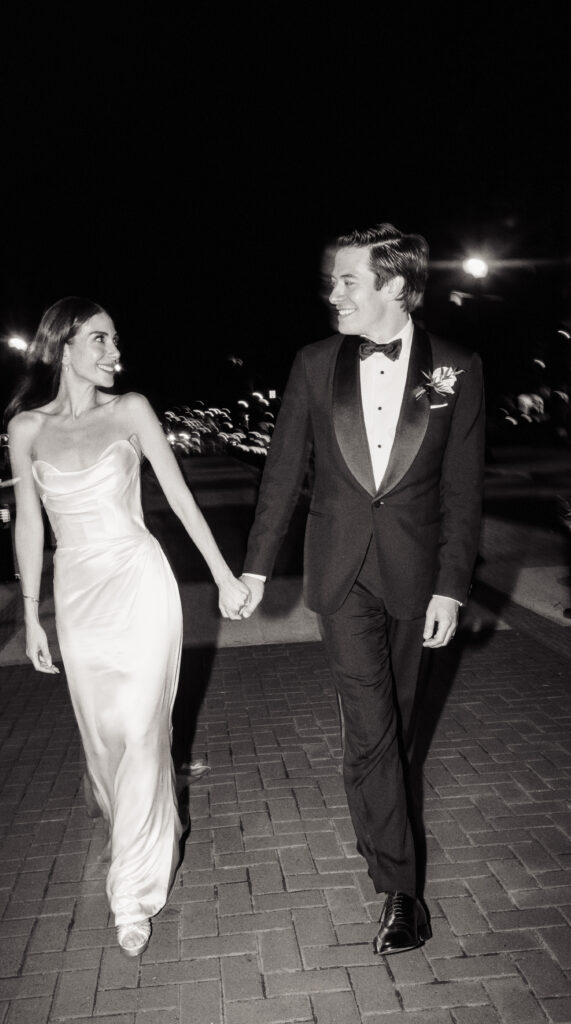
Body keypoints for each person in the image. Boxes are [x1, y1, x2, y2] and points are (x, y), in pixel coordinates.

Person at [240, 224, 485, 955]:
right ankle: (399, 891)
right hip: (339, 573)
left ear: (394, 287)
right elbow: (282, 471)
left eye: (348, 280)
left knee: (399, 729)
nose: (333, 293)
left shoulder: (458, 369)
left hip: (415, 579)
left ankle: (386, 837)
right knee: (370, 731)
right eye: (334, 280)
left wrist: (451, 586)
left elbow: (462, 491)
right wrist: (255, 567)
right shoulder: (314, 364)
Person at [6, 297, 249, 957]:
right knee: (106, 741)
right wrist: (31, 616)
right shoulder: (26, 429)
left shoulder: (131, 410)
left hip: (141, 584)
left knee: (143, 732)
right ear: (63, 346)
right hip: (79, 595)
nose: (115, 353)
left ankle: (132, 895)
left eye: (115, 340)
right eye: (100, 339)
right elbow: (30, 524)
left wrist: (224, 575)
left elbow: (177, 495)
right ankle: (135, 820)